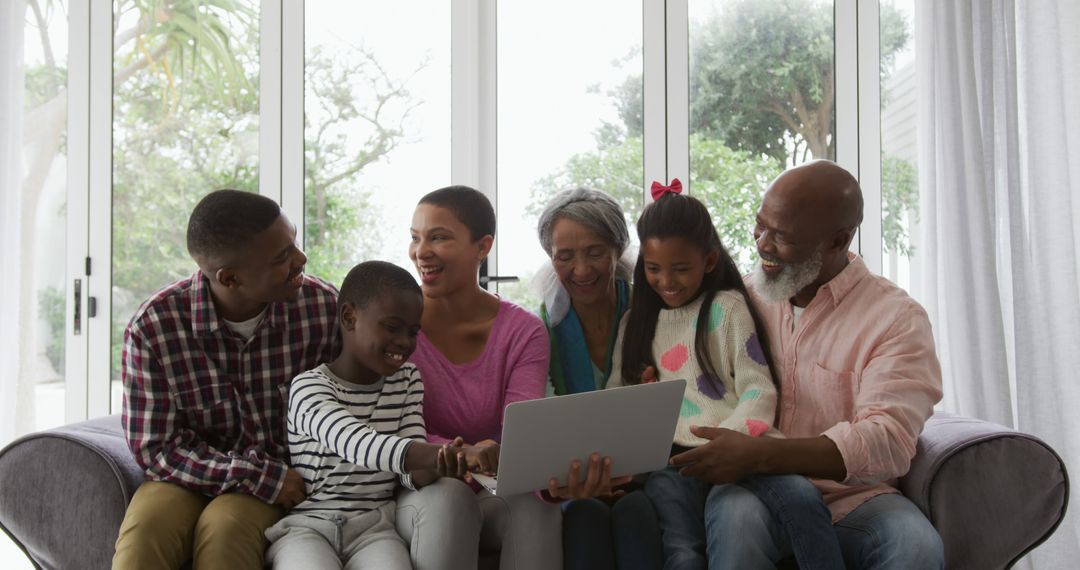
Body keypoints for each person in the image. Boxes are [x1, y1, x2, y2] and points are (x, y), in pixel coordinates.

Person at [669, 160, 945, 569]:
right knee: (739, 520)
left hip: (855, 499)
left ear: (837, 241)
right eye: (760, 225)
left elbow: (887, 439)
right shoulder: (738, 300)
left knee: (916, 547)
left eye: (782, 237)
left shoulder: (896, 318)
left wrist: (761, 454)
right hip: (755, 492)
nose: (762, 243)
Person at [607, 183, 845, 570]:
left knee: (801, 498)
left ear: (710, 260)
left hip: (740, 450)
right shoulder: (636, 322)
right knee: (681, 551)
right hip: (672, 464)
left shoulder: (726, 308)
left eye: (680, 269)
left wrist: (731, 440)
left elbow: (757, 387)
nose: (666, 280)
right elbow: (616, 396)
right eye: (653, 269)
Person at [113, 189, 339, 570]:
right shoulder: (154, 328)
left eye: (294, 242)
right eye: (283, 256)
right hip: (190, 476)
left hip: (283, 475)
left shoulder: (322, 308)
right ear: (230, 278)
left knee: (226, 528)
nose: (302, 259)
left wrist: (268, 479)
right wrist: (254, 475)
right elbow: (157, 448)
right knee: (146, 532)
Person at [264, 260, 495, 569]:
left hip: (375, 530)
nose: (405, 342)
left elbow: (411, 472)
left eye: (413, 332)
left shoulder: (407, 380)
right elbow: (360, 445)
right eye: (392, 327)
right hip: (309, 527)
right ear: (349, 317)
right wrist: (462, 453)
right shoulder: (309, 388)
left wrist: (446, 463)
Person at [396, 185, 562, 570]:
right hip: (421, 489)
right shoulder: (396, 326)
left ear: (482, 247)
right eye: (416, 238)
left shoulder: (524, 332)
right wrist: (460, 455)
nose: (421, 251)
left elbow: (521, 432)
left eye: (439, 237)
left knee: (539, 508)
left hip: (491, 488)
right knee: (450, 498)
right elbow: (399, 430)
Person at [534, 187, 662, 570]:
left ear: (617, 249)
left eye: (595, 253)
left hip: (645, 476)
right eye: (565, 257)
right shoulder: (540, 329)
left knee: (637, 512)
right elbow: (540, 422)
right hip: (573, 485)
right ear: (551, 258)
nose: (582, 270)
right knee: (584, 518)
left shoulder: (651, 311)